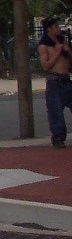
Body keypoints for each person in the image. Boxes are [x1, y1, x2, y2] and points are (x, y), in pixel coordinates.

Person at [37, 16, 72, 148]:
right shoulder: (44, 46)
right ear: (49, 29)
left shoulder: (63, 41)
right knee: (56, 112)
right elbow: (46, 66)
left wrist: (67, 52)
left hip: (66, 80)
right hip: (54, 82)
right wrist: (57, 52)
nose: (58, 28)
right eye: (56, 26)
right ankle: (58, 138)